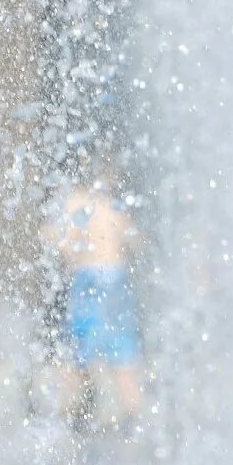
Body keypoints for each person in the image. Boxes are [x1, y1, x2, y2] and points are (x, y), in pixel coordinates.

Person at [45, 161, 145, 433]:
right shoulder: (112, 205)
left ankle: (64, 416)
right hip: (118, 278)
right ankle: (133, 418)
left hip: (90, 280)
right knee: (124, 353)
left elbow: (63, 244)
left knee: (79, 354)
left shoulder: (77, 202)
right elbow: (136, 241)